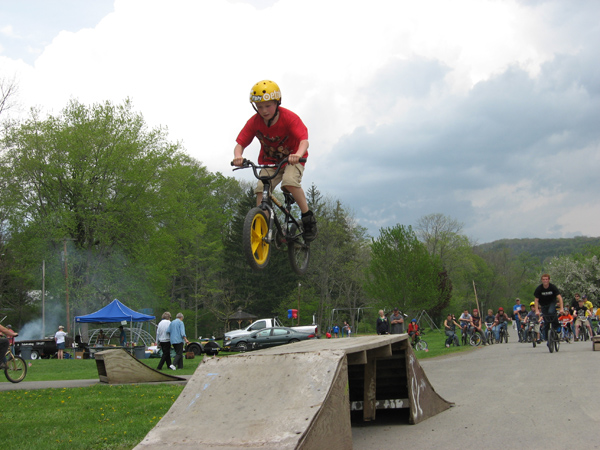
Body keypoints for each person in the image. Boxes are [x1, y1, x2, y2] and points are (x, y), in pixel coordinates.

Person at [232, 79, 317, 241]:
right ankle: (262, 228)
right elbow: (240, 144)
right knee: (260, 190)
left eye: (268, 106)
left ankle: (308, 218)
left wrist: (298, 154)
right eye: (260, 107)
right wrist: (238, 156)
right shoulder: (254, 122)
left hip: (293, 159)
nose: (264, 111)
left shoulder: (289, 118)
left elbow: (304, 141)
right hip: (270, 162)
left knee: (289, 181)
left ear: (277, 103)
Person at [533, 274, 564, 349]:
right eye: (544, 279)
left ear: (549, 280)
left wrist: (561, 308)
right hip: (543, 305)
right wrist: (537, 310)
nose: (545, 281)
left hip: (552, 303)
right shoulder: (539, 289)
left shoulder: (552, 287)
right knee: (546, 321)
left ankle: (557, 326)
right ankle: (548, 339)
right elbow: (536, 300)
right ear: (542, 280)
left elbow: (559, 298)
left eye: (546, 279)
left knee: (551, 312)